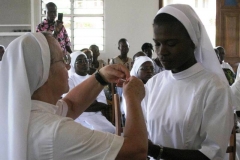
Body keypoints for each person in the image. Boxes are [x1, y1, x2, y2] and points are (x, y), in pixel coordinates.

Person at [0, 32, 148, 160]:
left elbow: (70, 105)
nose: (68, 66)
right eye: (63, 60)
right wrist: (133, 98)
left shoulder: (26, 112)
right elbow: (135, 152)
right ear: (44, 72)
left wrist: (101, 77)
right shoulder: (54, 131)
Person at [143, 4, 233, 160]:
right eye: (157, 44)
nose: (162, 52)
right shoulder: (153, 84)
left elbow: (211, 154)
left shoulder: (214, 87)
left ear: (193, 42)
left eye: (171, 44)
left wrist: (157, 151)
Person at [66, 51, 115, 133]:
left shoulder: (95, 79)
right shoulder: (70, 81)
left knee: (112, 130)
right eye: (80, 61)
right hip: (78, 117)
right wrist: (92, 102)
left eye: (86, 60)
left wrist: (82, 103)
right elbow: (71, 106)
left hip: (96, 116)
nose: (84, 63)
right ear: (73, 65)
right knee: (94, 132)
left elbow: (103, 104)